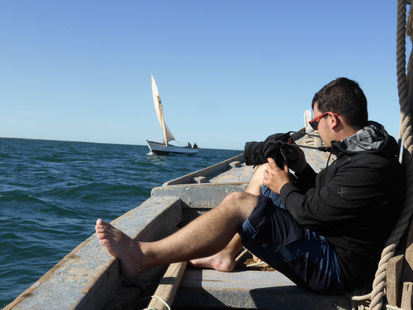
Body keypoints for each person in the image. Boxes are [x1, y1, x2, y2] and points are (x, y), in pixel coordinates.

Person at [95, 77, 404, 293]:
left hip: (334, 269)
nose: (315, 129)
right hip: (329, 241)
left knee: (238, 203)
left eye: (314, 123)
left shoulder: (370, 167)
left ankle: (142, 255)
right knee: (263, 174)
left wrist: (284, 184)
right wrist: (299, 167)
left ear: (332, 119)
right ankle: (225, 255)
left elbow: (311, 214)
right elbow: (326, 196)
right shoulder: (362, 152)